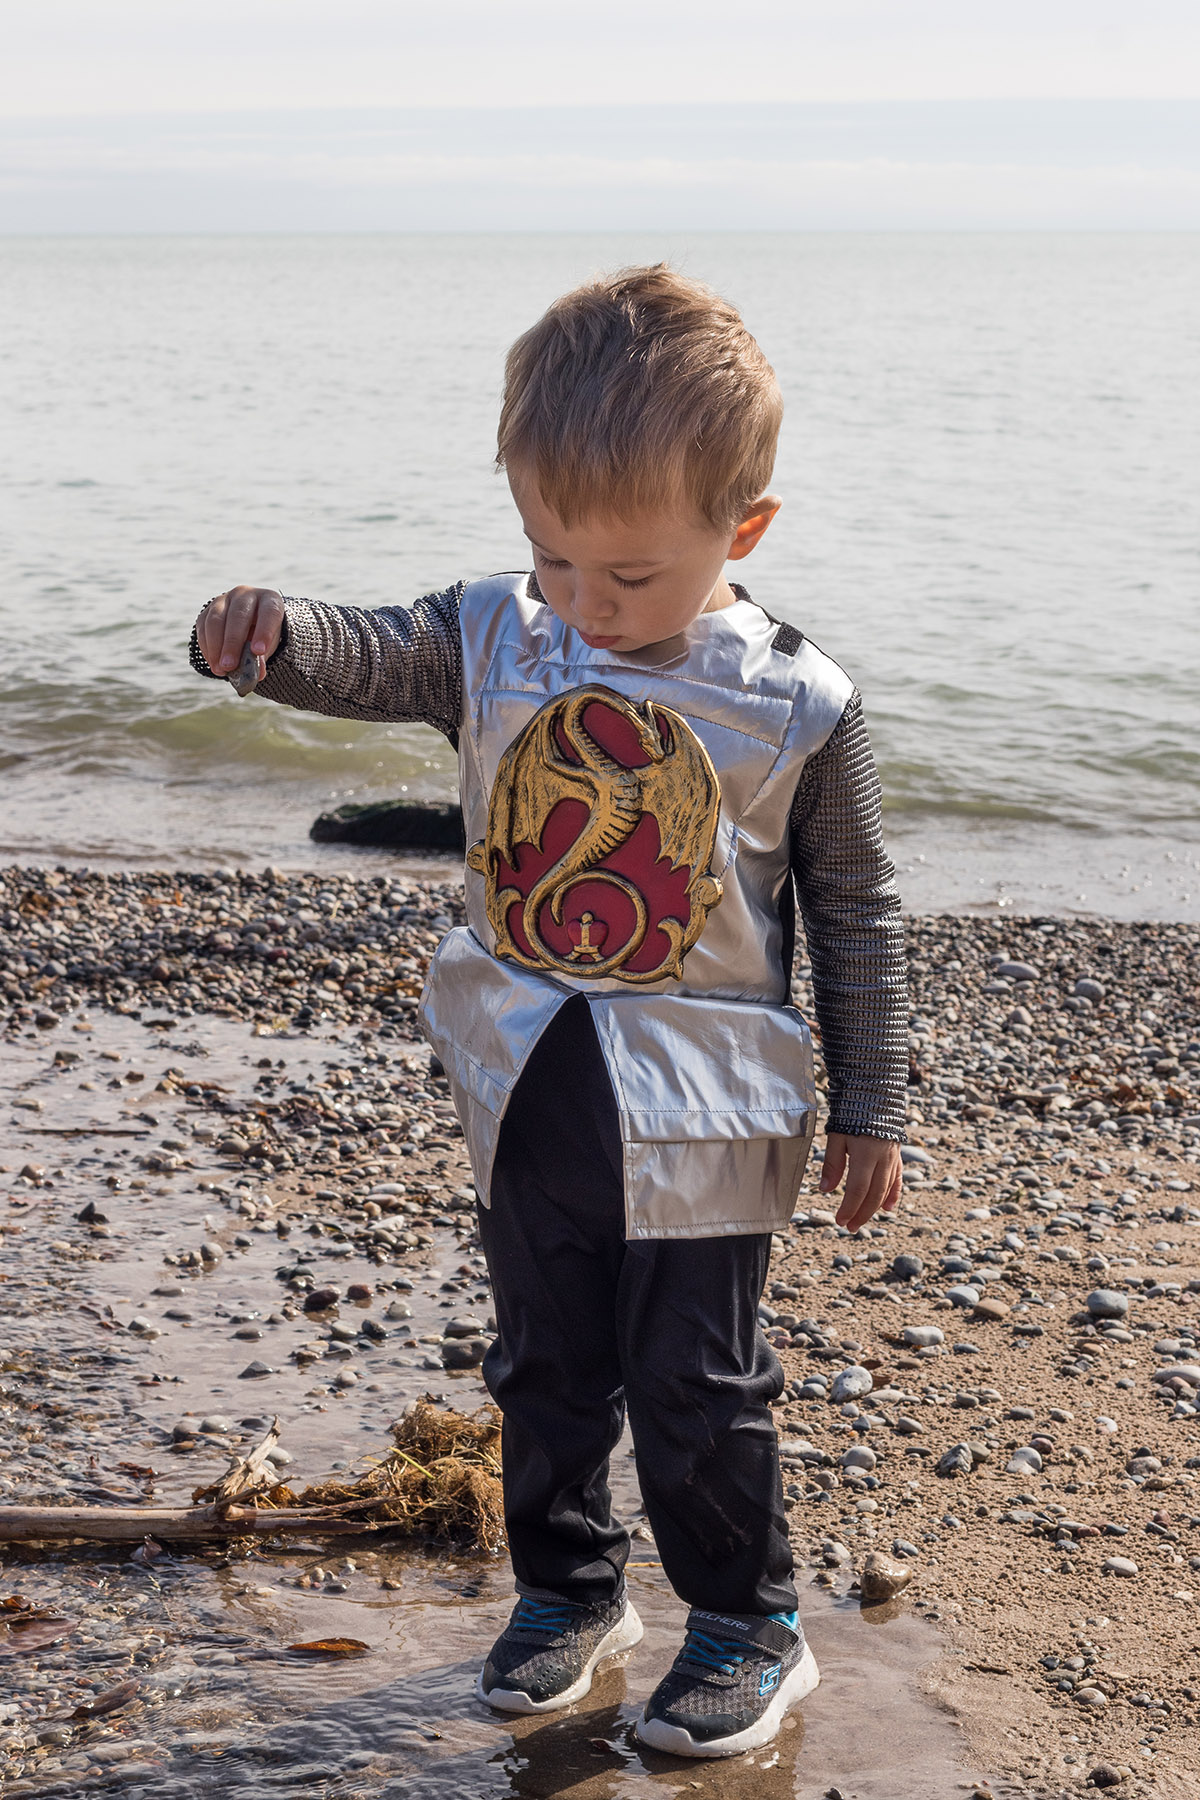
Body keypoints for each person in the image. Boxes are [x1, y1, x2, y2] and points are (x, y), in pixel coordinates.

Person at [191, 264, 908, 1760]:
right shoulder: (501, 635)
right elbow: (373, 652)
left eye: (630, 579)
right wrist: (268, 635)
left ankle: (746, 1625)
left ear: (743, 531)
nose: (585, 605)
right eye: (551, 558)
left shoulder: (799, 703)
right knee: (543, 1362)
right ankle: (569, 1594)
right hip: (527, 1077)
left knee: (698, 1381)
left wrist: (873, 1105)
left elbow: (852, 910)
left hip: (707, 1109)